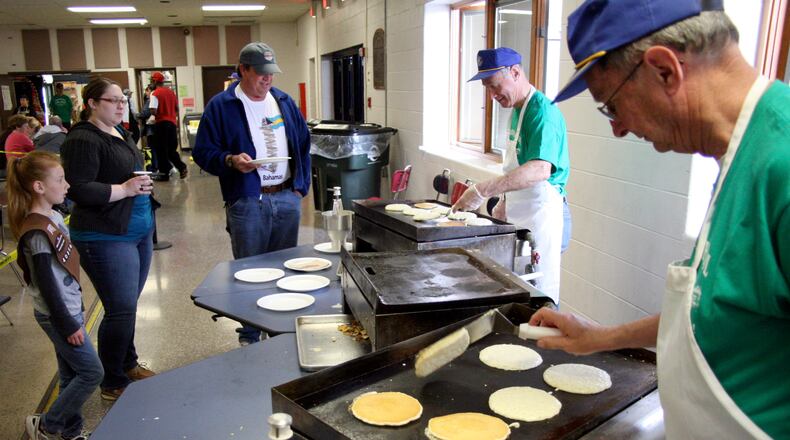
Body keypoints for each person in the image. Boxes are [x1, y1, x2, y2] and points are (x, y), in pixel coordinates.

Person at [528, 1, 789, 438]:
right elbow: (713, 309)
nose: (618, 128)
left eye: (610, 106)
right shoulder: (739, 152)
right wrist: (600, 337)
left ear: (666, 69)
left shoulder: (780, 164)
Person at [193, 42, 311, 346]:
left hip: (286, 196)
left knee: (285, 268)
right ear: (242, 70)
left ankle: (279, 330)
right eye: (260, 73)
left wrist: (300, 188)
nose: (267, 79)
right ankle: (249, 334)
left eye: (271, 73)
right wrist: (230, 160)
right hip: (247, 200)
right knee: (250, 271)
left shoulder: (283, 101)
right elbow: (204, 152)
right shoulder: (221, 106)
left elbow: (303, 144)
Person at [60, 77, 157, 402]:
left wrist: (141, 185)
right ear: (91, 103)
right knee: (119, 308)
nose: (120, 105)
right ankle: (112, 381)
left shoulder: (120, 131)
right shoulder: (83, 139)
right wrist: (126, 189)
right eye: (112, 100)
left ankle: (127, 364)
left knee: (127, 307)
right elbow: (79, 188)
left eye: (122, 100)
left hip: (135, 230)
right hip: (104, 235)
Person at [453, 47, 570, 305]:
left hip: (544, 215)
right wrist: (505, 203)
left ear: (515, 72)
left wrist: (482, 190)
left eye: (495, 86)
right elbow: (518, 167)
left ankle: (543, 343)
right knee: (518, 289)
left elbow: (540, 169)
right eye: (487, 88)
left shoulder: (542, 112)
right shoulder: (518, 109)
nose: (493, 95)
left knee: (540, 291)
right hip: (523, 211)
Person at [6, 151, 103, 440]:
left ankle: (68, 431)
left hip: (68, 308)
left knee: (71, 374)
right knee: (91, 373)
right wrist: (68, 323)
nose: (67, 185)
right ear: (38, 187)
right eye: (60, 180)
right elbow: (47, 285)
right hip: (59, 315)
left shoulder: (53, 215)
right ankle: (48, 425)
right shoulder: (36, 232)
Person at [149, 72, 187, 179]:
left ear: (155, 81)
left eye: (151, 80)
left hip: (161, 124)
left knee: (161, 150)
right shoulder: (171, 92)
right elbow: (177, 109)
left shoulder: (155, 93)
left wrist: (156, 114)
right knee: (171, 150)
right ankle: (181, 167)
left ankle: (164, 174)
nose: (151, 83)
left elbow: (153, 110)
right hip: (172, 123)